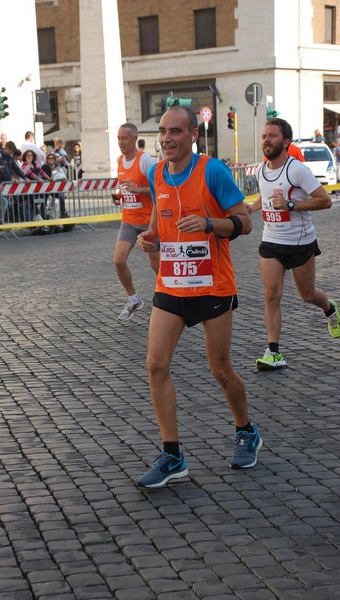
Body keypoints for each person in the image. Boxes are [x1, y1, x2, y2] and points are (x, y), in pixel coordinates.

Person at [136, 105, 261, 489]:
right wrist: (152, 236)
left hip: (212, 284)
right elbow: (160, 211)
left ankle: (246, 430)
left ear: (193, 134)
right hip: (172, 283)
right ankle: (172, 455)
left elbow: (244, 222)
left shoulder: (212, 170)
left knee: (220, 368)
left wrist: (209, 223)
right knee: (156, 364)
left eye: (176, 131)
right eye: (162, 131)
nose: (167, 138)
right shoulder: (157, 172)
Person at [246, 118, 339, 370]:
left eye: (272, 136)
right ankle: (273, 352)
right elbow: (265, 196)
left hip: (300, 243)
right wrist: (252, 207)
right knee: (271, 296)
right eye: (265, 135)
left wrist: (291, 205)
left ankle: (331, 309)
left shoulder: (296, 169)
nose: (266, 140)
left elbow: (324, 201)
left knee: (307, 295)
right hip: (272, 241)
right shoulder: (262, 169)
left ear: (286, 142)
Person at [113, 122, 159, 321]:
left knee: (155, 265)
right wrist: (119, 196)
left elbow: (160, 188)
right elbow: (127, 190)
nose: (121, 142)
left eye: (124, 138)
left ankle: (170, 296)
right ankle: (133, 299)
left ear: (134, 139)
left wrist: (139, 190)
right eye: (118, 138)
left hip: (149, 221)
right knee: (118, 260)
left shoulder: (145, 160)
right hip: (129, 220)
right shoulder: (119, 161)